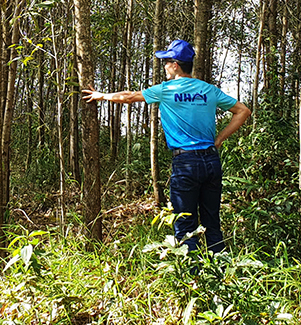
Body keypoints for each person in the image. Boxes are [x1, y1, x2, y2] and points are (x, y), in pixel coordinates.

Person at [82, 38, 251, 253]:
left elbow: (129, 97)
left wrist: (102, 96)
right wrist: (218, 140)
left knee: (185, 225)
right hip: (211, 161)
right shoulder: (208, 90)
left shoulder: (167, 89)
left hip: (185, 163)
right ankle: (221, 276)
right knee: (212, 223)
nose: (164, 66)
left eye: (166, 61)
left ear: (175, 65)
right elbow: (243, 111)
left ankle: (192, 278)